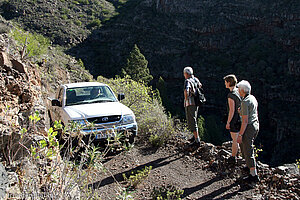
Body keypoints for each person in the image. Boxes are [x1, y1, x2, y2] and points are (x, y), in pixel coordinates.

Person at [237, 80, 260, 183]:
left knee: (247, 149)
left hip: (249, 127)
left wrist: (240, 134)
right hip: (255, 125)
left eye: (239, 89)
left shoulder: (245, 102)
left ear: (242, 90)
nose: (238, 90)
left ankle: (253, 175)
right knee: (245, 146)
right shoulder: (252, 98)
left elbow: (245, 121)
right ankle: (249, 166)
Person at [223, 74, 241, 164]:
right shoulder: (238, 91)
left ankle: (233, 157)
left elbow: (231, 110)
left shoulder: (231, 95)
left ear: (229, 82)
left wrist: (228, 122)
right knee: (239, 138)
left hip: (234, 120)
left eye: (226, 82)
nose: (225, 84)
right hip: (240, 118)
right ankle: (238, 155)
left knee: (235, 139)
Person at [183, 66, 202, 147]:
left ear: (186, 74)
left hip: (190, 103)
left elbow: (186, 90)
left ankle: (197, 140)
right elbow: (200, 85)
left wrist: (186, 99)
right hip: (197, 102)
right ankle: (195, 136)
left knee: (192, 121)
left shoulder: (187, 81)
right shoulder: (195, 79)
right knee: (194, 118)